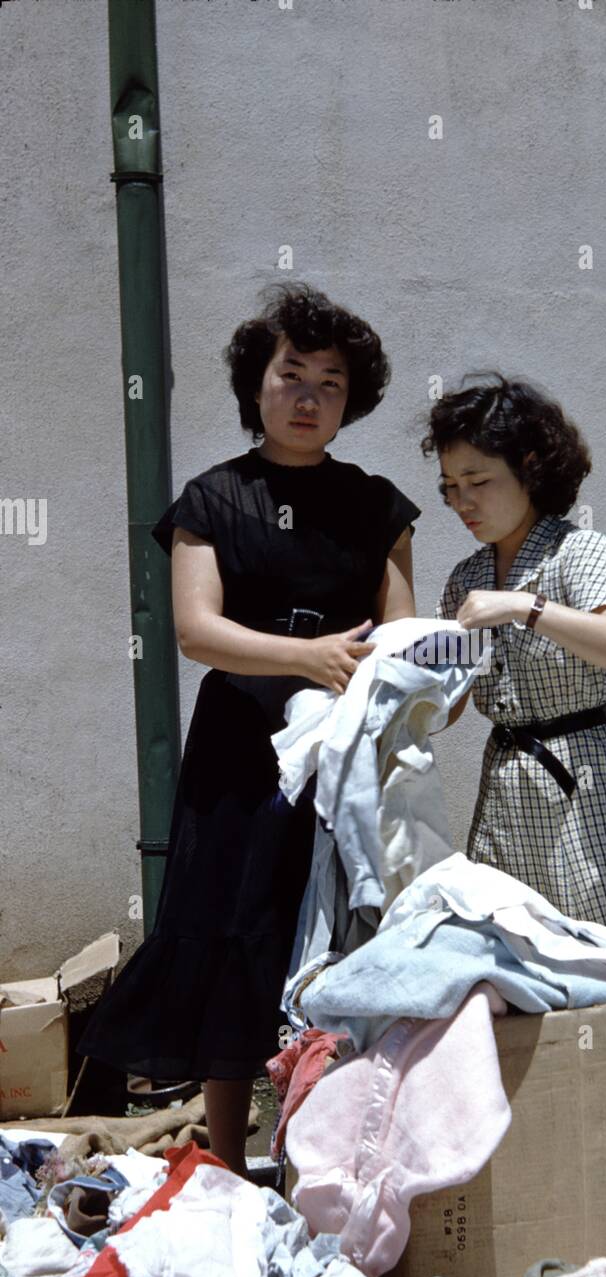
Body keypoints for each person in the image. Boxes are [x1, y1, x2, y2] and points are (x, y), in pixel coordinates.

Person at [78, 282, 420, 1174]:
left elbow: (404, 637)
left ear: (354, 398)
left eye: (331, 383)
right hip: (238, 753)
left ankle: (334, 1156)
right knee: (233, 939)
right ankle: (229, 1162)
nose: (307, 398)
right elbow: (197, 631)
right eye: (290, 375)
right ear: (255, 385)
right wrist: (304, 659)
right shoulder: (212, 499)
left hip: (340, 753)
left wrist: (364, 693)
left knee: (340, 938)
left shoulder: (378, 505)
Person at [424, 374, 606, 944]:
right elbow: (443, 708)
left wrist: (525, 606)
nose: (463, 501)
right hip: (504, 779)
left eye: (477, 480)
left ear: (529, 468)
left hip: (583, 776)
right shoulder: (466, 579)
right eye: (450, 486)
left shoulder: (579, 549)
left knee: (604, 943)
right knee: (506, 944)